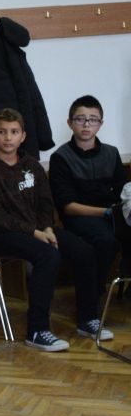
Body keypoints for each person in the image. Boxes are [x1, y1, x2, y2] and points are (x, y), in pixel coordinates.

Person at [0, 108, 108, 352]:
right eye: (2, 132)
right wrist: (35, 233)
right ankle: (37, 330)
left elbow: (46, 203)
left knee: (84, 250)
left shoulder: (32, 165)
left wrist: (47, 228)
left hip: (39, 230)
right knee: (48, 255)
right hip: (1, 235)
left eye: (14, 132)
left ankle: (87, 319)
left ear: (23, 136)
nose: (8, 137)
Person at [48, 95, 128, 315]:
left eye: (92, 119)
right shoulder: (60, 157)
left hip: (112, 214)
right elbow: (68, 206)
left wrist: (117, 211)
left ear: (100, 124)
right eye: (80, 119)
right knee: (106, 241)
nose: (86, 124)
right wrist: (106, 212)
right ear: (70, 123)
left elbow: (123, 191)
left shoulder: (111, 153)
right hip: (80, 217)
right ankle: (93, 294)